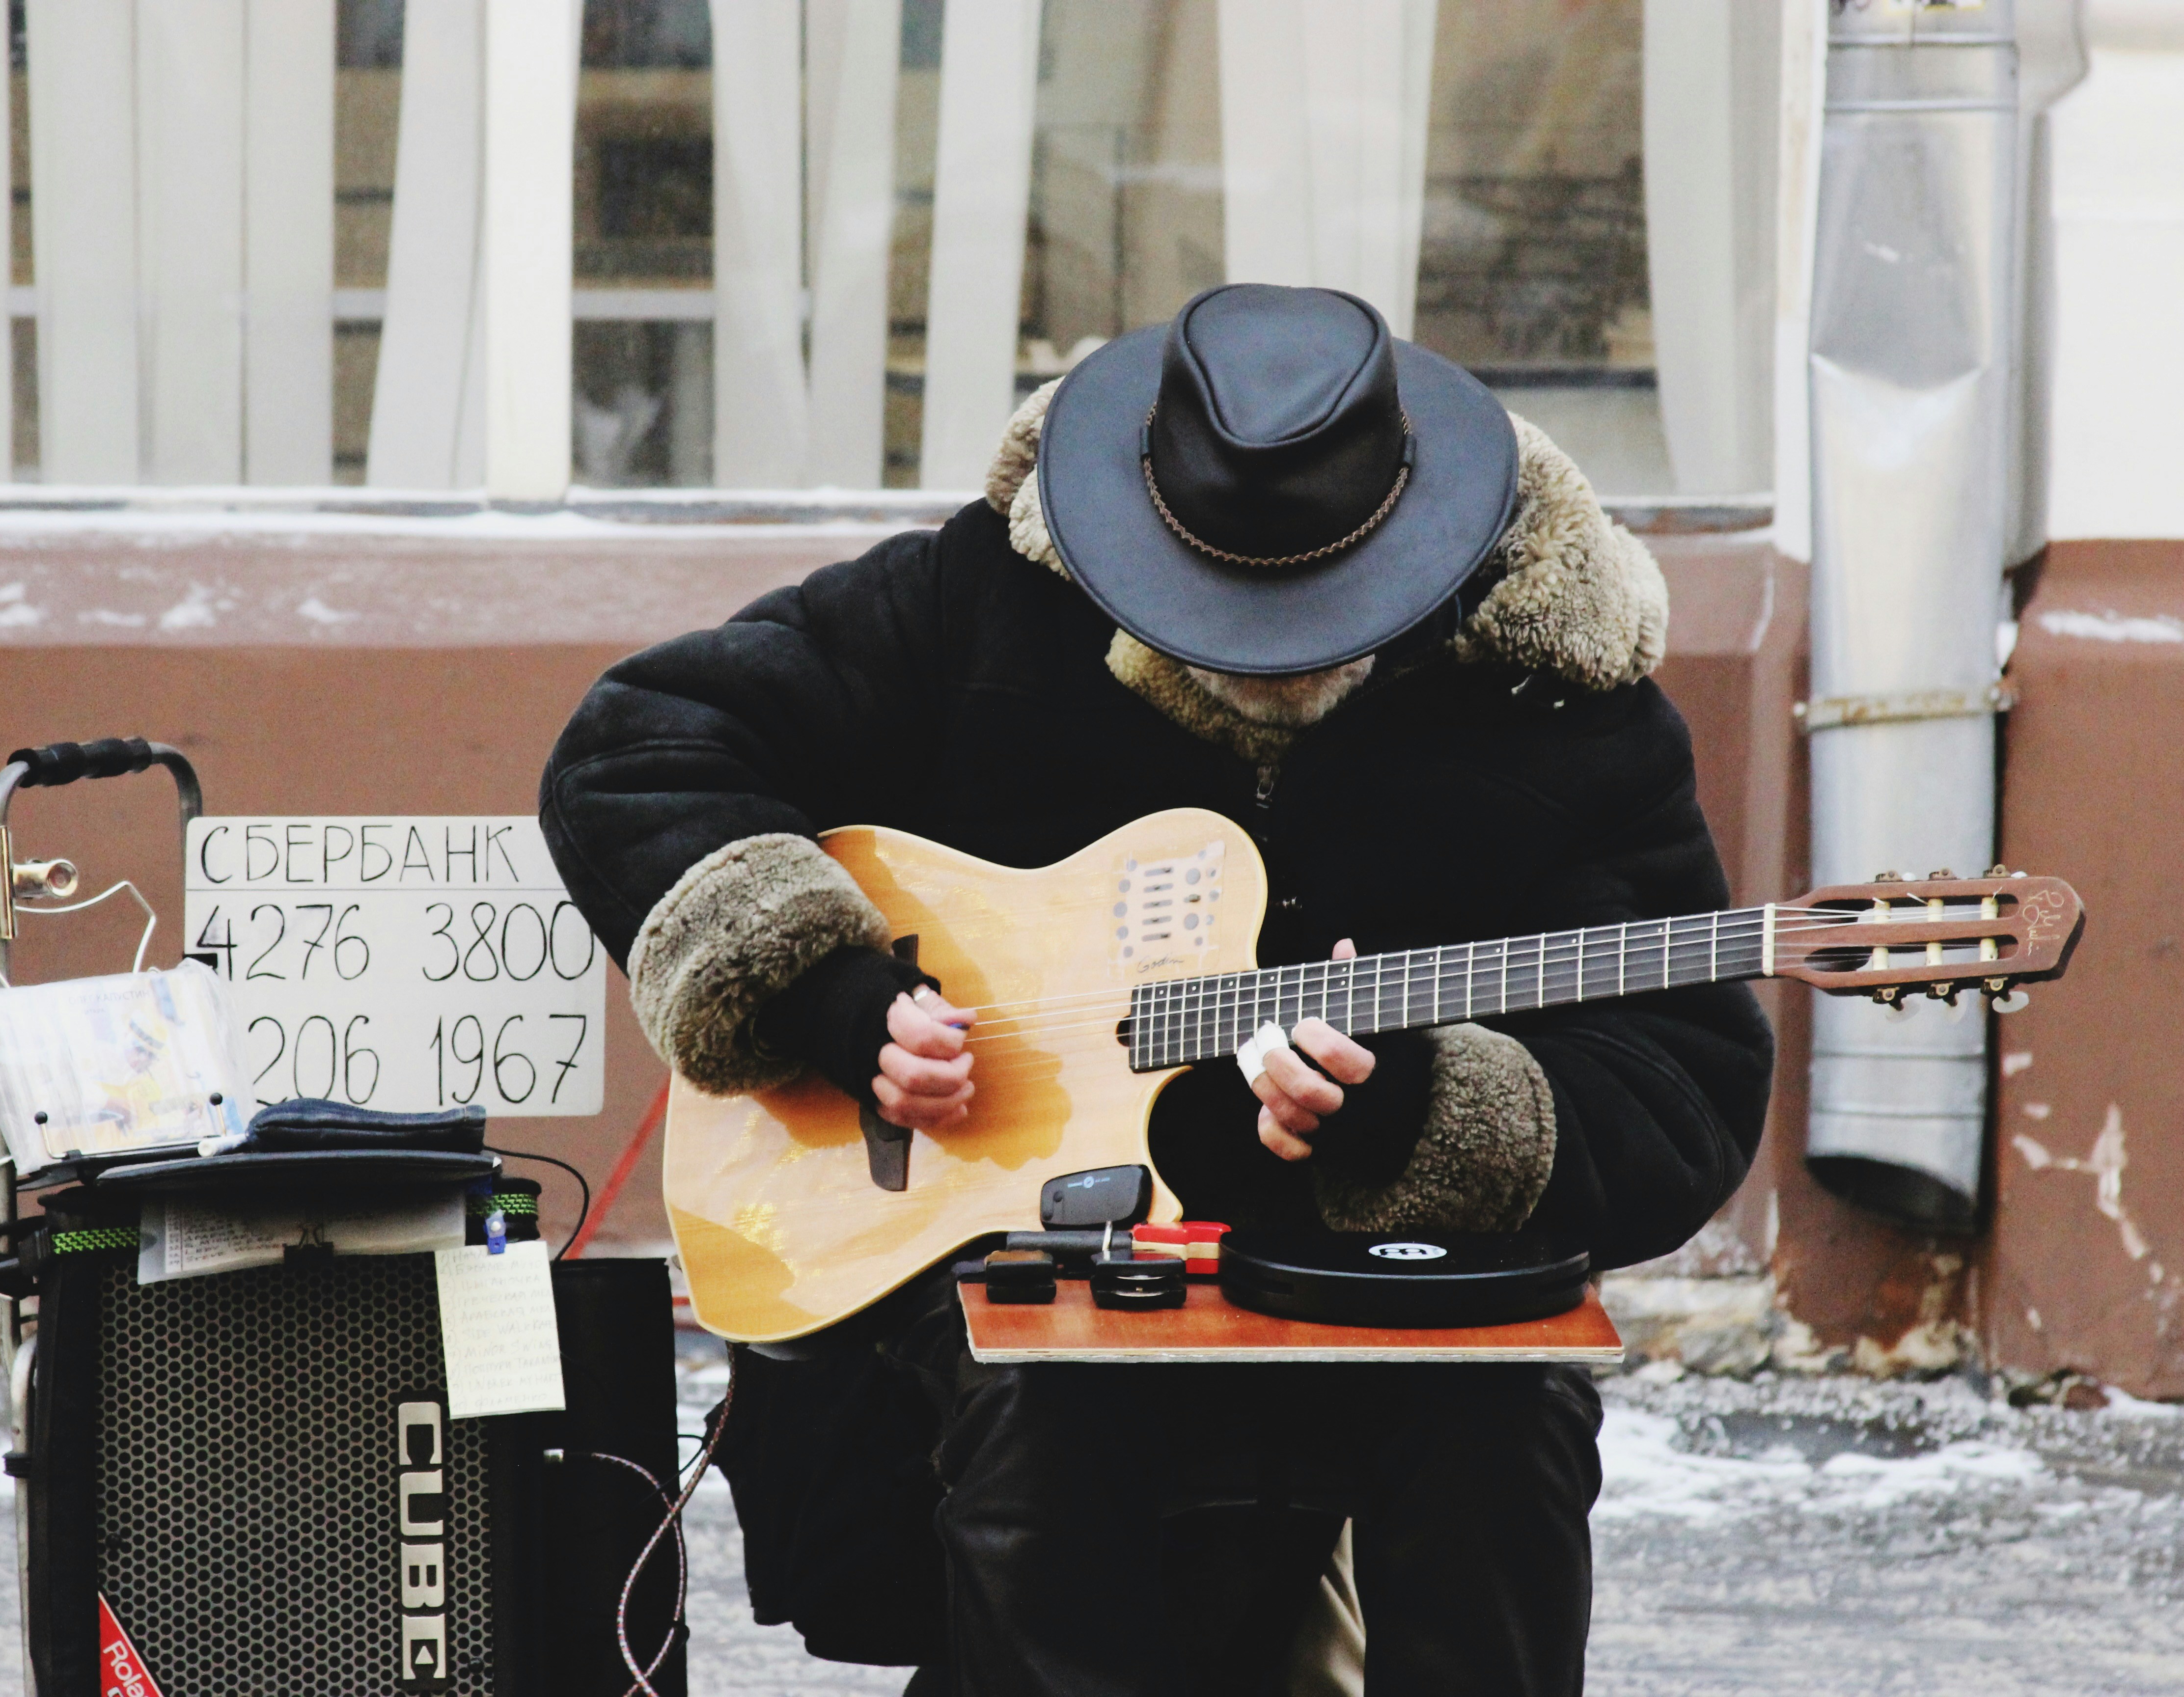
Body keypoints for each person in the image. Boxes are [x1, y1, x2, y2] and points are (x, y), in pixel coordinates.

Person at [540, 284, 1772, 1696]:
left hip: (1387, 1303)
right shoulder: (987, 600)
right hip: (1016, 1298)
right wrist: (832, 995)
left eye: (1319, 615)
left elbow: (1686, 1084)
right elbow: (636, 748)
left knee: (1502, 1424)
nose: (1270, 666)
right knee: (1044, 1401)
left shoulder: (1561, 700)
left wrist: (1413, 1113)